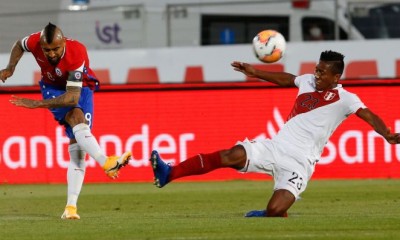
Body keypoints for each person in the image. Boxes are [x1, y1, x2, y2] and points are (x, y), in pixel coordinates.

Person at [149, 50, 400, 217]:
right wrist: (256, 72)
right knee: (231, 154)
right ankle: (169, 173)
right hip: (275, 147)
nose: (317, 74)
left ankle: (271, 212)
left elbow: (369, 116)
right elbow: (286, 79)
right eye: (317, 69)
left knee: (275, 210)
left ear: (337, 76)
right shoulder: (307, 81)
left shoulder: (347, 98)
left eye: (323, 72)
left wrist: (386, 133)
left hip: (301, 163)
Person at [0, 23, 132, 220]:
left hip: (79, 89)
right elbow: (19, 44)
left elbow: (72, 98)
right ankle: (107, 162)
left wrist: (37, 104)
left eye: (56, 49)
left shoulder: (76, 53)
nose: (51, 54)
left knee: (78, 144)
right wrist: (11, 67)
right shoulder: (35, 41)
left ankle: (71, 208)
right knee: (75, 118)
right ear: (41, 46)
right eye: (47, 50)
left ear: (63, 43)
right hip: (52, 88)